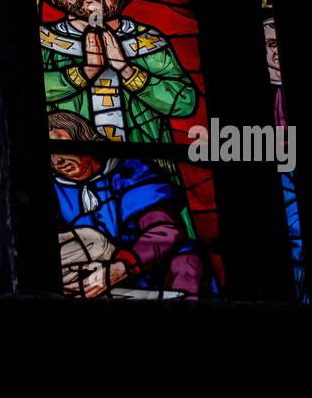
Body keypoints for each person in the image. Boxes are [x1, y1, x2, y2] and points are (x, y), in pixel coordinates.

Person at [37, 0, 197, 146]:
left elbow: (184, 103)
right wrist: (84, 73)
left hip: (146, 166)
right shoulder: (44, 42)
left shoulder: (147, 41)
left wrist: (126, 70)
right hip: (74, 166)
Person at [49, 112, 204, 300]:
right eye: (50, 153)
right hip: (90, 275)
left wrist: (124, 265)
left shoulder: (131, 171)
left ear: (83, 136)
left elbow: (164, 230)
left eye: (62, 146)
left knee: (187, 263)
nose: (57, 160)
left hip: (152, 269)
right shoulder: (53, 189)